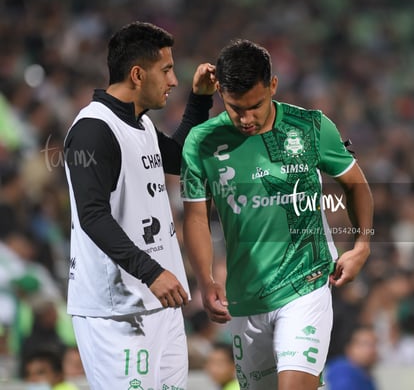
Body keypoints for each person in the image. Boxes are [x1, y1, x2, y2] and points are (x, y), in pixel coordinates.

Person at [180, 39, 374, 390]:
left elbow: (356, 185)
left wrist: (362, 245)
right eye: (236, 107)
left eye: (255, 105)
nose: (247, 118)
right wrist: (205, 280)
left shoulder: (311, 127)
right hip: (244, 297)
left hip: (306, 285)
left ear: (273, 85)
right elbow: (195, 217)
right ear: (220, 91)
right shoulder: (201, 141)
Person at [64, 21, 216, 390]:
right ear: (137, 74)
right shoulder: (91, 130)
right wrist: (151, 272)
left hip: (159, 301)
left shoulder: (140, 124)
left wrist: (199, 100)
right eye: (166, 69)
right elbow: (92, 216)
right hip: (118, 311)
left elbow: (179, 158)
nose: (173, 80)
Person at [325, 325, 378, 390]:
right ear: (349, 347)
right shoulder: (342, 370)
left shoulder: (364, 374)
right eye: (365, 344)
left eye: (374, 344)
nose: (371, 350)